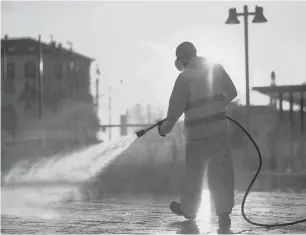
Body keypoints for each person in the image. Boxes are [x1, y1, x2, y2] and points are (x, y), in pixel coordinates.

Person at [158, 41, 237, 230]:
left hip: (197, 135)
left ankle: (189, 210)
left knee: (194, 174)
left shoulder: (185, 77)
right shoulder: (216, 69)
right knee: (222, 173)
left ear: (182, 58)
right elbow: (232, 92)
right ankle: (223, 214)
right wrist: (218, 105)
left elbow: (174, 110)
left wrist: (164, 129)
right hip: (219, 131)